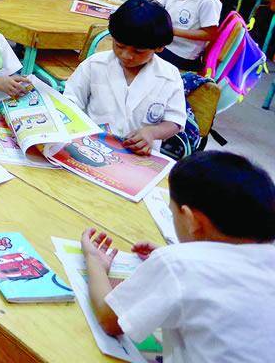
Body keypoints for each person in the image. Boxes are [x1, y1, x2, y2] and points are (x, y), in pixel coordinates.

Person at [80, 151, 275, 362]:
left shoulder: (179, 265)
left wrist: (95, 261)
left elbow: (110, 320)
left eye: (173, 213)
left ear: (192, 220)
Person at [62, 0, 184, 154]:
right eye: (119, 46)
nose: (126, 55)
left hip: (138, 154)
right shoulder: (95, 65)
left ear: (159, 47)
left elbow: (175, 121)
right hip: (90, 147)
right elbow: (70, 101)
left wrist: (151, 133)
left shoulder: (169, 76)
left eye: (138, 51)